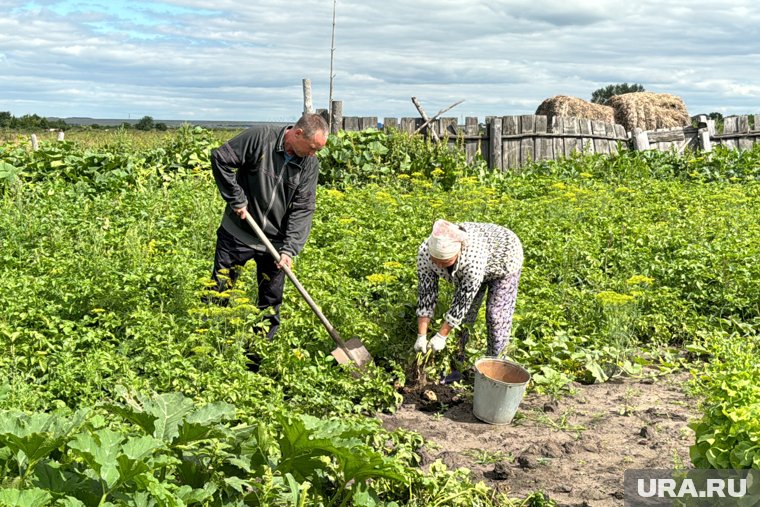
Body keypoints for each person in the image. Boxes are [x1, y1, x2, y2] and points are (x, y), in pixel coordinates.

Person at [208, 113, 329, 342]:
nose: (313, 154)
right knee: (219, 290)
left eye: (317, 151)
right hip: (237, 233)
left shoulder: (309, 164)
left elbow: (303, 208)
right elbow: (221, 158)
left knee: (270, 304)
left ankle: (257, 356)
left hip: (274, 243)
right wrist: (236, 198)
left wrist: (289, 249)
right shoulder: (261, 137)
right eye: (312, 148)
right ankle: (210, 348)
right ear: (297, 133)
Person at [414, 219, 523, 380]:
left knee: (496, 315)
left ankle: (495, 368)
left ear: (458, 253)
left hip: (505, 257)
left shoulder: (472, 257)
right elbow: (426, 293)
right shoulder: (425, 253)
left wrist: (441, 336)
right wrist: (421, 335)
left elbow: (462, 301)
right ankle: (457, 365)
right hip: (478, 262)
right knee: (465, 319)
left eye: (445, 262)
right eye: (436, 262)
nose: (440, 266)